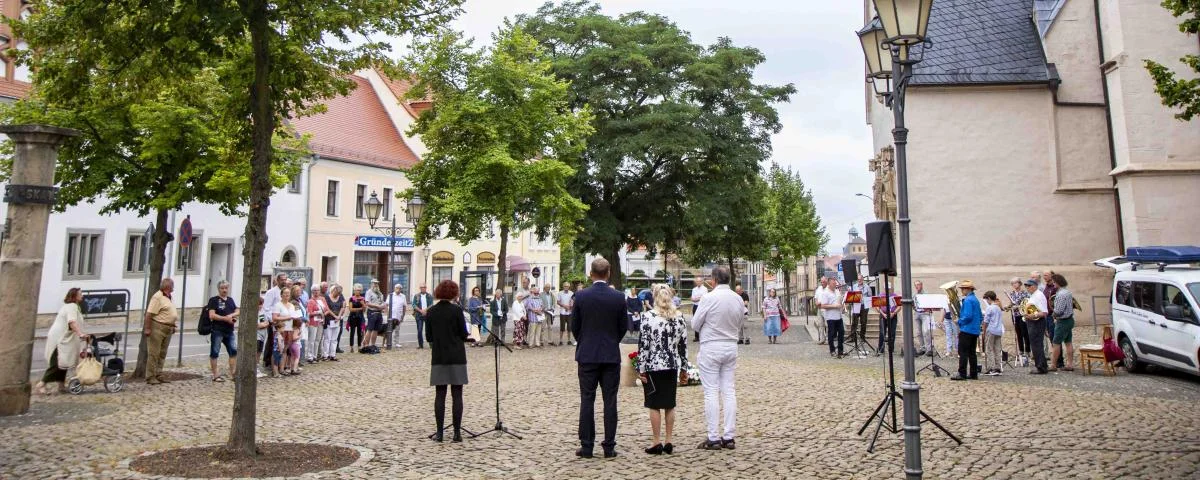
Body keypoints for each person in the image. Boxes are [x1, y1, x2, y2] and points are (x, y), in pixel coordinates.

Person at [572, 258, 628, 459]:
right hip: (610, 355)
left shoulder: (581, 296)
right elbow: (623, 326)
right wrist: (612, 341)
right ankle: (609, 446)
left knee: (587, 399)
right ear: (609, 272)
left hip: (587, 355)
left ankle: (587, 446)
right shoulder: (618, 297)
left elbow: (575, 327)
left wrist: (585, 341)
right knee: (610, 401)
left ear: (591, 273)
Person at [691, 266, 744, 450]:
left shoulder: (708, 298)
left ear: (714, 280)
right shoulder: (737, 299)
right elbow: (739, 321)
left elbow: (695, 324)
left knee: (711, 391)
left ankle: (713, 436)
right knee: (729, 391)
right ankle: (729, 435)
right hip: (730, 345)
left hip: (711, 346)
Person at [637, 284, 690, 455]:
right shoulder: (679, 317)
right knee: (669, 403)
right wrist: (684, 368)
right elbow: (683, 346)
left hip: (654, 365)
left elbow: (644, 345)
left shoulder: (648, 317)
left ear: (654, 297)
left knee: (654, 404)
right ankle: (669, 440)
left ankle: (656, 441)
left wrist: (641, 367)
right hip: (672, 364)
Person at [425, 280, 472, 442]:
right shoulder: (457, 311)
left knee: (440, 394)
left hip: (439, 357)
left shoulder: (431, 312)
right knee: (457, 394)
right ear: (454, 293)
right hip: (457, 356)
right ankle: (457, 433)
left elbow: (428, 337)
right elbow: (464, 334)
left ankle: (439, 433)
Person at [36, 288, 88, 395]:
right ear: (74, 296)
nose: (82, 296)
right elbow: (72, 322)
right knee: (57, 362)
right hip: (59, 338)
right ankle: (41, 384)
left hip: (65, 337)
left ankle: (61, 385)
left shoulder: (74, 307)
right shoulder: (72, 307)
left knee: (64, 362)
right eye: (80, 294)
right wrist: (80, 334)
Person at [143, 278, 179, 385]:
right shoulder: (157, 297)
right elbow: (149, 314)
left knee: (162, 353)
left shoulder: (168, 297)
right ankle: (150, 376)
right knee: (154, 353)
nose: (173, 287)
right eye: (172, 285)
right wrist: (148, 328)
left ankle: (159, 374)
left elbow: (168, 313)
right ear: (168, 287)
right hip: (157, 327)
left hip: (167, 328)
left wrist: (172, 325)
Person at [206, 281, 240, 382]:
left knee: (233, 351)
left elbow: (237, 310)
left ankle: (233, 373)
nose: (224, 290)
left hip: (229, 330)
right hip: (217, 330)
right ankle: (215, 374)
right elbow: (212, 315)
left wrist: (232, 315)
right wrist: (225, 318)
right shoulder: (214, 300)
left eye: (226, 288)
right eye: (222, 288)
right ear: (218, 289)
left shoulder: (230, 300)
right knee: (215, 352)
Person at [951, 280, 982, 381]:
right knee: (972, 353)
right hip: (974, 330)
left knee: (963, 352)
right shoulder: (975, 299)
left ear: (968, 289)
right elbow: (980, 316)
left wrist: (959, 321)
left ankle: (962, 373)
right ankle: (973, 374)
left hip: (967, 330)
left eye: (963, 289)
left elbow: (968, 316)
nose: (962, 291)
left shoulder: (968, 300)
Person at [1050, 273, 1077, 372]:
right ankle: (1070, 364)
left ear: (1057, 283)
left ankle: (1053, 365)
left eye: (1054, 282)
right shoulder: (1068, 292)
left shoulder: (1061, 294)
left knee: (1056, 343)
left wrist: (1053, 315)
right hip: (1069, 319)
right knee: (1068, 342)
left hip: (1062, 321)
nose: (1053, 284)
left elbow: (1059, 310)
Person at [817, 278, 845, 358]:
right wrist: (834, 306)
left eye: (835, 283)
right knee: (831, 334)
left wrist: (842, 306)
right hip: (831, 317)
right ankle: (832, 350)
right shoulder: (825, 293)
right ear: (829, 284)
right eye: (833, 284)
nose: (835, 285)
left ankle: (840, 351)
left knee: (841, 333)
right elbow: (823, 305)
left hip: (839, 316)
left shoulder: (837, 291)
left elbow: (840, 302)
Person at [1005, 278, 1031, 364]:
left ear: (1019, 283)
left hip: (1023, 315)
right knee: (1018, 333)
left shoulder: (1024, 293)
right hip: (1015, 315)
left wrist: (1019, 306)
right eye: (1012, 284)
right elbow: (1012, 303)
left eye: (1015, 283)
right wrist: (1008, 307)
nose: (1014, 285)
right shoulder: (1012, 293)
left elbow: (1027, 303)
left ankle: (1027, 351)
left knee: (1025, 333)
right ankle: (1020, 351)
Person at [981, 291, 1005, 376]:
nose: (986, 301)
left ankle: (991, 368)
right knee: (997, 350)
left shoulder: (990, 308)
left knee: (989, 349)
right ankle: (998, 367)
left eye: (986, 299)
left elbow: (986, 321)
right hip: (998, 330)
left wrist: (984, 331)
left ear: (989, 298)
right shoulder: (998, 308)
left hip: (991, 330)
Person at [306, 286, 329, 363]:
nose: (316, 292)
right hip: (313, 322)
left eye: (317, 290)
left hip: (321, 322)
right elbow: (309, 313)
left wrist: (323, 314)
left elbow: (327, 309)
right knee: (311, 340)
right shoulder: (310, 301)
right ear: (312, 291)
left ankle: (315, 356)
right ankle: (310, 356)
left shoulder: (322, 299)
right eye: (314, 290)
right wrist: (317, 313)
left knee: (318, 340)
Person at [325, 284, 346, 361]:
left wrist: (339, 316)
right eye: (337, 293)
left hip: (337, 321)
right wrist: (335, 316)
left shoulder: (340, 297)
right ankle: (325, 355)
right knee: (327, 339)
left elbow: (342, 307)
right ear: (333, 290)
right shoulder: (327, 297)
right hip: (329, 319)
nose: (338, 295)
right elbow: (327, 308)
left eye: (339, 294)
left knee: (334, 339)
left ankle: (332, 355)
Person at [363, 280, 386, 351]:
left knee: (376, 330)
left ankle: (373, 344)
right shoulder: (369, 292)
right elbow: (367, 303)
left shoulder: (380, 293)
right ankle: (366, 345)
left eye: (377, 283)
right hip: (372, 312)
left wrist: (383, 306)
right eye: (374, 283)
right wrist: (377, 306)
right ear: (371, 284)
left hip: (379, 313)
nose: (376, 285)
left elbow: (383, 302)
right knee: (370, 329)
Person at [876, 292, 898, 357]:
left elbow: (899, 306)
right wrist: (883, 314)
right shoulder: (881, 295)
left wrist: (893, 313)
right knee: (882, 332)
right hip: (883, 315)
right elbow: (877, 306)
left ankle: (891, 348)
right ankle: (880, 348)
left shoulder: (894, 295)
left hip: (893, 315)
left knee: (892, 332)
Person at [850, 278, 872, 344]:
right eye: (858, 279)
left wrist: (867, 305)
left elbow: (870, 296)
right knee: (854, 322)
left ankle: (862, 337)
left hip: (864, 306)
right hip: (856, 305)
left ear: (863, 279)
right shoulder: (854, 286)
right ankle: (853, 337)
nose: (859, 280)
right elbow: (851, 296)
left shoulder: (867, 287)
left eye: (860, 279)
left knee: (863, 322)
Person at [412, 284, 434, 349]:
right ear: (420, 288)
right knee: (419, 330)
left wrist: (425, 310)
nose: (423, 288)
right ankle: (420, 345)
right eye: (421, 287)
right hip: (419, 315)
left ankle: (431, 344)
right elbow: (414, 304)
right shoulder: (416, 296)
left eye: (424, 287)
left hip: (428, 315)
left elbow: (431, 304)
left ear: (426, 288)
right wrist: (421, 311)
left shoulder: (429, 296)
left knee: (429, 330)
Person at [912, 281, 931, 355]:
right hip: (917, 313)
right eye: (915, 285)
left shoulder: (925, 294)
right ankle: (922, 347)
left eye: (918, 285)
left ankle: (929, 349)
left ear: (921, 285)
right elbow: (913, 303)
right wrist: (913, 307)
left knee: (926, 331)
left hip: (924, 314)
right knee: (919, 332)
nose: (917, 286)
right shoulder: (914, 294)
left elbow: (928, 303)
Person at [346, 284, 366, 352]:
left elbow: (364, 310)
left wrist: (363, 304)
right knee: (352, 332)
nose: (358, 292)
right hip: (353, 317)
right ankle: (351, 347)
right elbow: (351, 309)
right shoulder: (352, 298)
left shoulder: (362, 298)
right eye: (357, 290)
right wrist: (360, 308)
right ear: (354, 290)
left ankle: (359, 346)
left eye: (360, 290)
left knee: (359, 332)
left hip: (360, 317)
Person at [387, 284, 407, 350]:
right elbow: (387, 305)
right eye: (397, 288)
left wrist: (403, 316)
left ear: (401, 289)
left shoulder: (403, 296)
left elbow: (404, 306)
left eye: (399, 288)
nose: (398, 289)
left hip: (399, 316)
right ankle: (388, 342)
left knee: (397, 330)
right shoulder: (391, 295)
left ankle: (396, 342)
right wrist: (387, 315)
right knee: (389, 330)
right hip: (391, 316)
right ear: (394, 288)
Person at [558, 282, 575, 346]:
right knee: (562, 327)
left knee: (569, 327)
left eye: (567, 286)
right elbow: (558, 302)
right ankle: (561, 340)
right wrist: (564, 306)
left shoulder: (571, 293)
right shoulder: (560, 293)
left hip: (569, 312)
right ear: (563, 286)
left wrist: (570, 306)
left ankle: (569, 340)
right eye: (565, 286)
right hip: (562, 312)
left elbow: (573, 301)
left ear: (569, 287)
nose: (566, 287)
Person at [255, 297, 268, 378]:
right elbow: (257, 325)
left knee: (259, 352)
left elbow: (265, 323)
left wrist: (263, 325)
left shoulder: (262, 312)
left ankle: (257, 368)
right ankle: (254, 369)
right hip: (257, 336)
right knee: (256, 352)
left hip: (262, 335)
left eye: (261, 304)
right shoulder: (254, 313)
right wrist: (262, 325)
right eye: (259, 304)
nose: (260, 306)